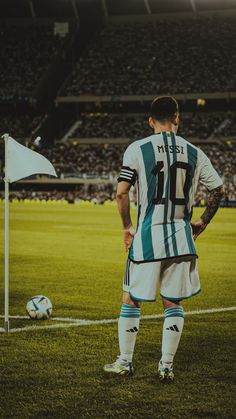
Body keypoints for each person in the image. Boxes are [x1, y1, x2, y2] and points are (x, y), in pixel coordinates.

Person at [103, 96, 224, 381]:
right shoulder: (195, 152)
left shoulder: (137, 149)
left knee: (131, 299)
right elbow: (218, 190)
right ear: (177, 118)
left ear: (150, 121)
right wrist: (203, 222)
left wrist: (126, 226)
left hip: (147, 239)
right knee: (173, 303)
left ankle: (124, 362)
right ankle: (166, 366)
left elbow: (121, 193)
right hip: (182, 239)